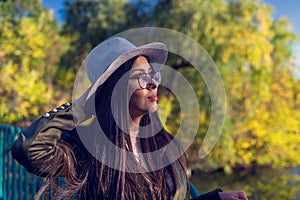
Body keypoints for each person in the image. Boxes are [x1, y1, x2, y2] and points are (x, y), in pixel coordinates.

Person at [11, 37, 248, 200]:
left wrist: (214, 198)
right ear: (117, 87)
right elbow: (28, 148)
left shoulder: (162, 143)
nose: (153, 82)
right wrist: (81, 106)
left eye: (153, 74)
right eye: (141, 76)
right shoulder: (89, 147)